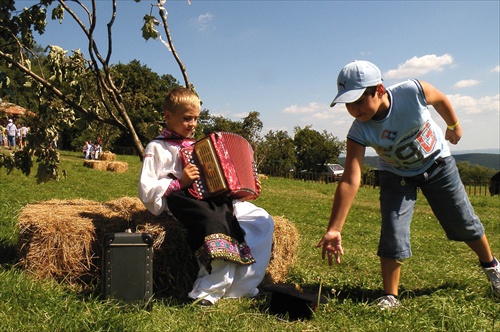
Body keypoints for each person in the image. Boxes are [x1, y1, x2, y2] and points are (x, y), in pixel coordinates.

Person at [316, 60, 499, 310]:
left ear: (379, 90)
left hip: (437, 163)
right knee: (393, 228)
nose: (354, 109)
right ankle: (391, 297)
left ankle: (492, 267)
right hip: (396, 174)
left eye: (359, 100)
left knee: (463, 221)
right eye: (348, 103)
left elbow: (441, 99)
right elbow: (350, 178)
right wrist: (335, 228)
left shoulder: (412, 91)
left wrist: (453, 125)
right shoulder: (358, 131)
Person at [138, 87, 274, 306]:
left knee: (261, 220)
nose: (192, 124)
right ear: (167, 116)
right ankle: (207, 291)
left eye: (196, 119)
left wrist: (240, 186)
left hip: (213, 198)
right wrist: (180, 182)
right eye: (186, 118)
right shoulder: (157, 147)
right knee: (215, 222)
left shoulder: (200, 147)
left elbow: (219, 177)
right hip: (181, 198)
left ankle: (242, 285)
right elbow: (146, 188)